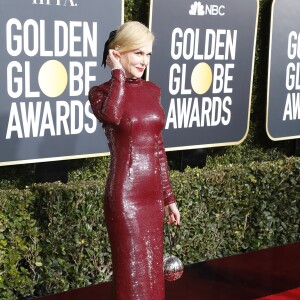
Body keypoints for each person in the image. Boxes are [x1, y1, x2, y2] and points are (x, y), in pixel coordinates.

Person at [88, 21, 180, 300]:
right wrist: (117, 74)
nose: (144, 61)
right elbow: (113, 116)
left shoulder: (153, 91)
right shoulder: (101, 94)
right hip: (125, 197)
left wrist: (168, 197)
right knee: (132, 276)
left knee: (153, 273)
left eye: (148, 54)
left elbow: (158, 148)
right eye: (138, 53)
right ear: (118, 52)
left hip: (152, 196)